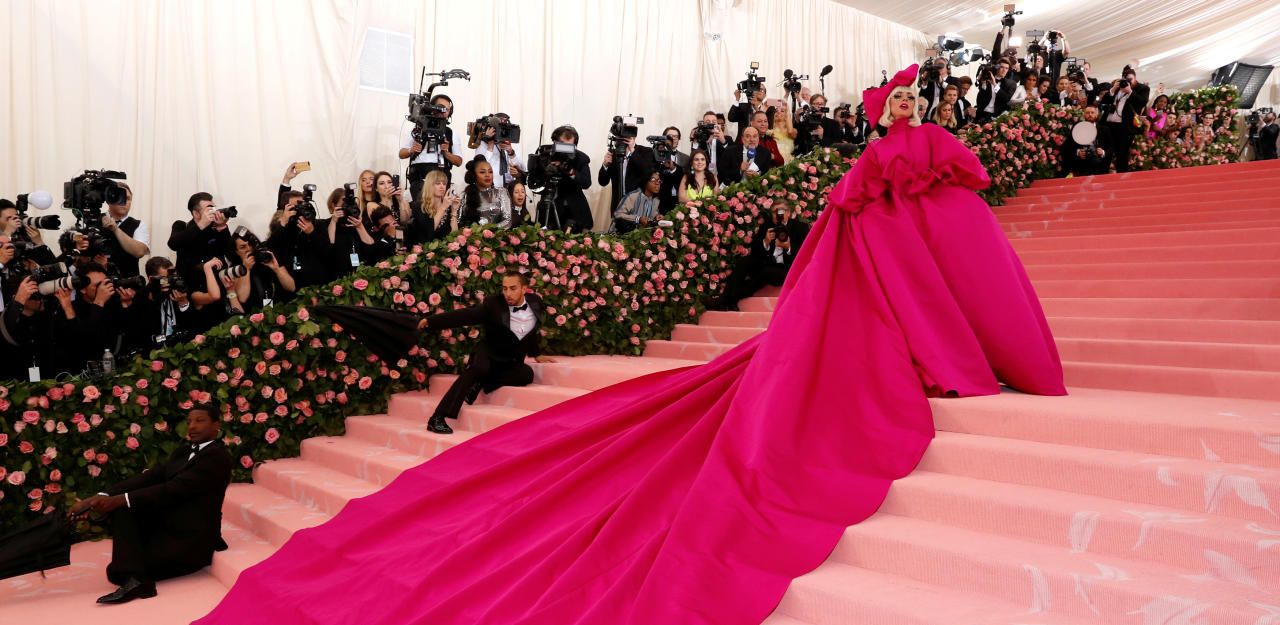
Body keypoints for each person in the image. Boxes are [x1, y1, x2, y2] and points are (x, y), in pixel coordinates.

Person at [194, 64, 1066, 625]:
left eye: (912, 100)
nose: (907, 109)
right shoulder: (870, 169)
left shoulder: (935, 154)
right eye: (898, 102)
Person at [70, 402, 232, 605]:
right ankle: (133, 575)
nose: (192, 426)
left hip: (193, 537)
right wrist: (98, 496)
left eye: (200, 421)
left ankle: (140, 582)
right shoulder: (184, 451)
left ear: (216, 425)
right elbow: (152, 477)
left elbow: (172, 489)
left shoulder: (217, 457)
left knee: (123, 512)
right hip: (172, 524)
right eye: (189, 421)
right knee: (119, 552)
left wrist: (119, 500)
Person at [417, 272, 555, 434]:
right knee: (478, 369)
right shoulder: (494, 305)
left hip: (508, 359)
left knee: (526, 375)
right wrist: (431, 321)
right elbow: (465, 316)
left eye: (513, 288)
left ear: (524, 289)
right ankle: (437, 418)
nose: (508, 293)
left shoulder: (535, 303)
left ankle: (480, 382)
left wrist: (536, 353)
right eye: (504, 288)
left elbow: (529, 329)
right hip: (488, 351)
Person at [712, 199, 810, 311]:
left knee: (765, 273)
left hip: (787, 268)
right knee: (744, 262)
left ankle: (727, 300)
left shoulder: (800, 227)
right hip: (766, 263)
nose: (778, 215)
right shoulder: (767, 226)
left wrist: (788, 247)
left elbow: (806, 253)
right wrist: (766, 242)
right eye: (775, 212)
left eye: (781, 211)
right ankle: (729, 302)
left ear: (788, 212)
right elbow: (755, 251)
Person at [400, 94, 464, 211]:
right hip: (419, 178)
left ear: (450, 112)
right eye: (440, 107)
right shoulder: (416, 130)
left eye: (447, 109)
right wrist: (411, 150)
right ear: (431, 107)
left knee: (441, 213)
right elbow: (401, 153)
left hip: (442, 177)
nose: (443, 111)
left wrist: (446, 153)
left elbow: (459, 161)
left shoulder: (452, 133)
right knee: (421, 211)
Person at [529, 125, 594, 232]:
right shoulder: (544, 153)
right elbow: (534, 180)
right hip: (549, 209)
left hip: (574, 211)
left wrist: (570, 171)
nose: (566, 150)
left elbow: (586, 183)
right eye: (562, 145)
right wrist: (545, 172)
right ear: (554, 142)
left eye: (570, 147)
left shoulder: (581, 158)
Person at [167, 192, 231, 287]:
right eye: (209, 209)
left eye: (214, 208)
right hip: (190, 286)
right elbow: (173, 244)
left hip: (216, 285)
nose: (213, 212)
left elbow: (230, 252)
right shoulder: (182, 226)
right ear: (196, 213)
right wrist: (201, 224)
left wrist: (221, 226)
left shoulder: (215, 229)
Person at [1098, 65, 1151, 173]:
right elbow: (1104, 101)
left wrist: (1130, 91)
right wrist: (1113, 89)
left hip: (1124, 126)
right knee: (1106, 152)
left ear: (1135, 78)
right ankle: (1103, 174)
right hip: (1108, 124)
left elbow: (1142, 102)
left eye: (1130, 79)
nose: (1128, 81)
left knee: (1121, 154)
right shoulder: (1118, 86)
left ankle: (1121, 176)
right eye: (1126, 79)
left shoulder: (1142, 88)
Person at [98, 182, 150, 278]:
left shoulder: (138, 225)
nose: (125, 202)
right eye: (120, 197)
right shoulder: (94, 220)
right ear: (109, 199)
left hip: (127, 282)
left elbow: (139, 252)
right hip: (97, 280)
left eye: (128, 198)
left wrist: (115, 229)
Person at [597, 135, 654, 217]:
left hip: (639, 205)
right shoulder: (614, 153)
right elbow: (603, 182)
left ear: (634, 136)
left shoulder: (645, 151)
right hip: (618, 204)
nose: (625, 137)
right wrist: (605, 165)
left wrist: (632, 152)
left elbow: (646, 174)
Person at [460, 156, 518, 229]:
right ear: (474, 175)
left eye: (490, 172)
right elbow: (460, 222)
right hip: (473, 235)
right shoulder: (466, 195)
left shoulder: (501, 192)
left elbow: (507, 220)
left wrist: (489, 230)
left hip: (499, 234)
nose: (487, 175)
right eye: (482, 172)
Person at [405, 170, 460, 245]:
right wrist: (443, 208)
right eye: (437, 183)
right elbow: (427, 235)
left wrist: (454, 210)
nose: (442, 186)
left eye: (444, 184)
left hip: (445, 248)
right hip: (425, 248)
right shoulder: (419, 206)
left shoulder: (447, 206)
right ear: (429, 185)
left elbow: (454, 236)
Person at [471, 113, 525, 188]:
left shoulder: (509, 143)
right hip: (490, 188)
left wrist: (511, 152)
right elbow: (480, 167)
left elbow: (523, 168)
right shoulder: (483, 144)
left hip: (508, 189)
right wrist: (490, 146)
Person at [689, 110, 732, 177]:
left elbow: (732, 158)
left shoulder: (727, 139)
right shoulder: (700, 140)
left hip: (723, 178)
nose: (711, 124)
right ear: (703, 124)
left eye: (714, 122)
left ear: (717, 124)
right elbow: (694, 158)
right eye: (708, 122)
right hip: (705, 177)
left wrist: (723, 141)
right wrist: (695, 141)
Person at [976, 57, 1018, 122]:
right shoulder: (987, 79)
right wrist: (983, 83)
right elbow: (980, 98)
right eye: (1002, 67)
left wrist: (995, 84)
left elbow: (1007, 99)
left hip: (998, 116)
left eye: (1006, 68)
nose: (1004, 70)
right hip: (982, 114)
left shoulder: (1011, 84)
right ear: (997, 67)